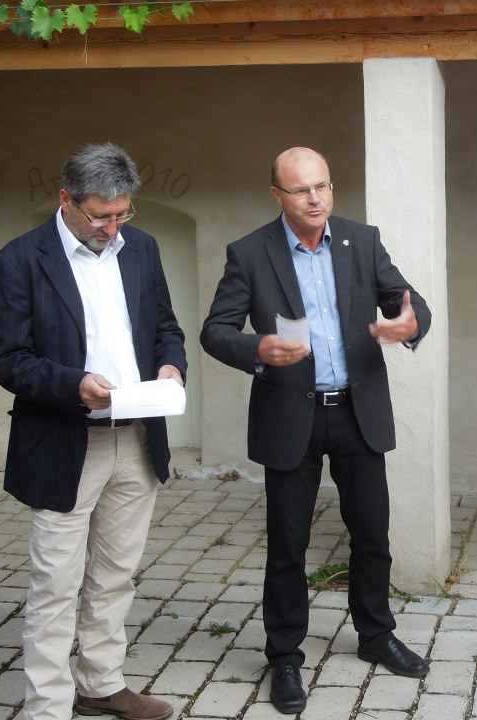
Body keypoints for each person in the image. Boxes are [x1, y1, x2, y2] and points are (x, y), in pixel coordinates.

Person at [200, 147, 432, 715]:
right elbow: (214, 331)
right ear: (277, 194)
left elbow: (407, 301)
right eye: (301, 190)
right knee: (288, 545)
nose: (315, 199)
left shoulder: (361, 240)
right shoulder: (251, 253)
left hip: (357, 411)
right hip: (289, 415)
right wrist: (257, 347)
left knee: (372, 536)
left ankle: (375, 636)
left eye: (323, 186)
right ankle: (284, 656)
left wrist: (410, 323)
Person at [0, 143, 186, 720]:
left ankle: (101, 683)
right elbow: (10, 362)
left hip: (138, 437)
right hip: (66, 442)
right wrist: (75, 384)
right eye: (100, 215)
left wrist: (170, 365)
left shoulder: (142, 249)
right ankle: (47, 706)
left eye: (122, 213)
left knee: (116, 574)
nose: (111, 226)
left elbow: (166, 327)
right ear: (65, 200)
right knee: (55, 584)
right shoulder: (19, 260)